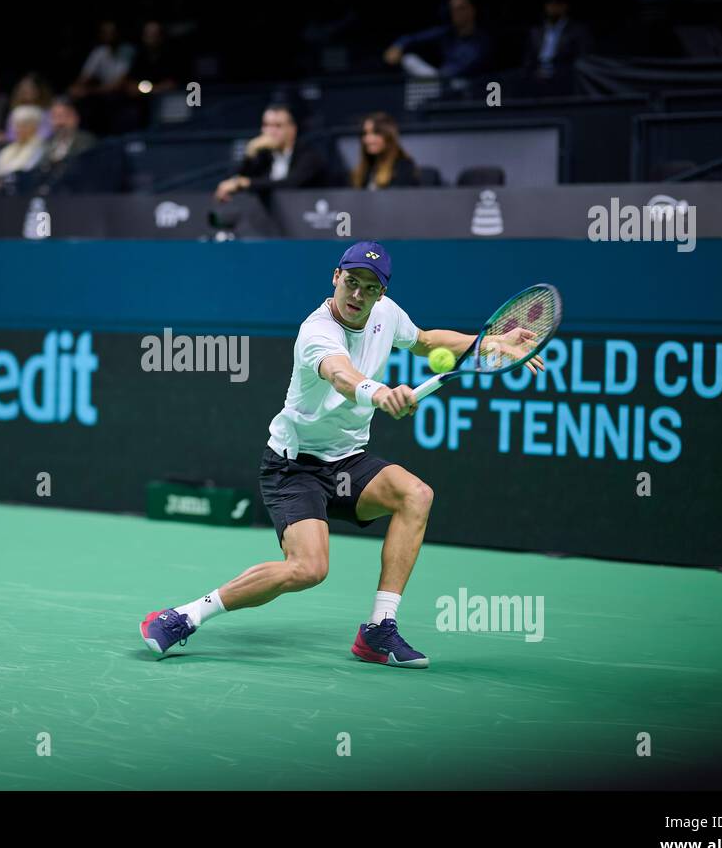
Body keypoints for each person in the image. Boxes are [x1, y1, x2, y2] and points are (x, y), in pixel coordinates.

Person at [139, 242, 545, 667]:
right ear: (336, 277)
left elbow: (425, 342)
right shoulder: (317, 332)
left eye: (370, 288)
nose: (357, 295)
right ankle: (185, 615)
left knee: (416, 495)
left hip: (348, 461)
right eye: (352, 282)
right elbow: (341, 374)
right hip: (294, 466)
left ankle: (378, 629)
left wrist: (490, 342)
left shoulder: (386, 315)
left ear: (380, 294)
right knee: (308, 569)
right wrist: (381, 393)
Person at [214, 104, 328, 202]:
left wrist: (245, 183)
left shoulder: (309, 155)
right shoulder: (263, 155)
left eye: (278, 126)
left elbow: (290, 184)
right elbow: (236, 179)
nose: (270, 131)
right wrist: (249, 154)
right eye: (266, 125)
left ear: (293, 129)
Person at [383, 0, 493, 86]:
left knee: (449, 83)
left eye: (461, 8)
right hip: (439, 80)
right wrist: (398, 46)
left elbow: (468, 67)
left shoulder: (482, 40)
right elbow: (412, 38)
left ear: (472, 10)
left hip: (466, 84)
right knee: (409, 60)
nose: (456, 13)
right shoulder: (447, 32)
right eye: (453, 10)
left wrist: (442, 77)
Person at [522, 0, 593, 91]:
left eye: (557, 4)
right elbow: (528, 60)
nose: (552, 8)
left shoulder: (577, 30)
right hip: (537, 75)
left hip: (564, 76)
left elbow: (582, 59)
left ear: (564, 6)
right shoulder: (536, 31)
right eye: (550, 4)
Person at [350, 112, 420, 189]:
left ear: (388, 137)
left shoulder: (404, 166)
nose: (368, 139)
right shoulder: (366, 169)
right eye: (365, 133)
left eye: (375, 133)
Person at [39, 97, 97, 182]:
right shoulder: (47, 143)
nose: (59, 122)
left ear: (75, 118)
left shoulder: (86, 140)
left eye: (64, 116)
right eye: (55, 117)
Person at [0, 105, 47, 177]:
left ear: (35, 127)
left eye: (24, 126)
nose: (18, 130)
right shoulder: (9, 148)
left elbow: (26, 170)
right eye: (17, 125)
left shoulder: (40, 147)